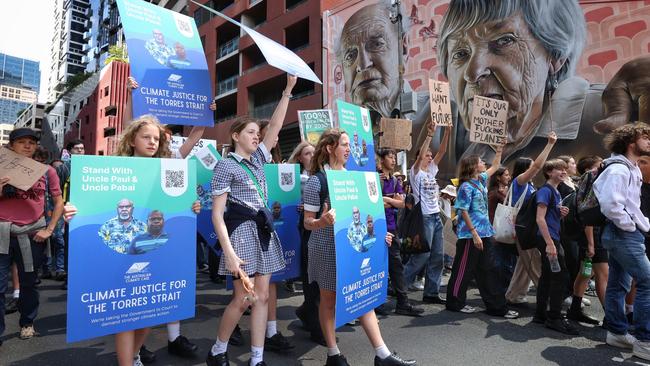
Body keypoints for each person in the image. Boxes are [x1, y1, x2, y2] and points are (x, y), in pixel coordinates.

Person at [427, 0, 650, 181]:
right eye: (460, 54)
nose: (473, 72)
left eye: (504, 41)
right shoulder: (475, 150)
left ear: (555, 56)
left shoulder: (602, 117)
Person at [64, 116, 201, 366]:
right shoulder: (114, 167)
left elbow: (174, 209)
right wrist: (73, 210)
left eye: (156, 138)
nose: (151, 142)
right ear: (132, 140)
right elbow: (90, 203)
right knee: (125, 319)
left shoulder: (166, 169)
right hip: (118, 258)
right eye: (146, 137)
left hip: (151, 255)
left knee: (147, 317)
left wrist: (191, 206)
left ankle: (136, 355)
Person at [303, 128, 416, 366]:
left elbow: (366, 215)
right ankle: (333, 354)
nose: (349, 149)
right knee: (329, 300)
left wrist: (379, 235)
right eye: (344, 144)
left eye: (348, 145)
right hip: (325, 249)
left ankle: (382, 354)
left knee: (362, 296)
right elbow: (307, 222)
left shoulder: (354, 179)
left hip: (351, 248)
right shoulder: (317, 181)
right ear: (329, 148)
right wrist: (321, 221)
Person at [206, 74, 296, 366]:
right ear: (235, 136)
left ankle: (257, 359)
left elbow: (278, 126)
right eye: (251, 132)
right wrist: (229, 254)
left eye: (258, 133)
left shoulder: (259, 159)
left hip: (264, 231)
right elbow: (217, 215)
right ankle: (218, 350)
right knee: (243, 299)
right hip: (241, 233)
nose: (257, 136)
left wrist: (288, 90)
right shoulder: (225, 165)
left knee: (263, 298)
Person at [0, 128, 64, 344]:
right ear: (11, 146)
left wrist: (49, 229)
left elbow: (58, 202)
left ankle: (27, 323)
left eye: (32, 142)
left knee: (29, 283)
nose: (27, 145)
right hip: (2, 233)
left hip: (32, 235)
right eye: (21, 142)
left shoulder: (47, 171)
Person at [594, 123, 650, 360]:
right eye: (645, 137)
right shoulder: (619, 170)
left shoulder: (631, 167)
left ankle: (616, 332)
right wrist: (630, 225)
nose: (649, 141)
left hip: (622, 234)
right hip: (623, 234)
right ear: (630, 141)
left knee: (618, 284)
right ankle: (645, 341)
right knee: (647, 282)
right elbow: (611, 205)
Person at [446, 146, 518, 319]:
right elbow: (463, 210)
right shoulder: (465, 187)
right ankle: (455, 302)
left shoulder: (480, 180)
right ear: (472, 166)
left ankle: (495, 306)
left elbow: (495, 166)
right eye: (480, 162)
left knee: (488, 269)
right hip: (470, 235)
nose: (483, 163)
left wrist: (500, 150)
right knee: (463, 269)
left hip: (485, 232)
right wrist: (474, 233)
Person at [505, 132, 558, 305]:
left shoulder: (529, 185)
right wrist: (549, 144)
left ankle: (514, 295)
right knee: (534, 263)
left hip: (526, 228)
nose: (534, 170)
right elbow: (536, 166)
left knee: (525, 262)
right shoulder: (519, 182)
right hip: (523, 229)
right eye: (530, 167)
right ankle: (549, 297)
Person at [402, 120, 451, 304]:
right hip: (423, 218)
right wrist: (429, 134)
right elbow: (423, 152)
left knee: (437, 256)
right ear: (419, 157)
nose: (430, 157)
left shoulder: (431, 171)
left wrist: (447, 132)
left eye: (431, 156)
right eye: (427, 155)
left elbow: (443, 152)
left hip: (436, 216)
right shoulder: (415, 173)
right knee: (421, 256)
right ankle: (400, 286)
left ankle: (431, 292)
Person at [336, 1, 407, 118]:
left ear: (403, 48)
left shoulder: (432, 116)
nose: (363, 65)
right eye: (350, 56)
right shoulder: (347, 131)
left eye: (376, 44)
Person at [532, 159, 578, 335]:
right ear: (549, 172)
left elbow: (549, 217)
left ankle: (541, 314)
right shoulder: (545, 191)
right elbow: (539, 218)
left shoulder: (555, 191)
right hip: (549, 239)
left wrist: (559, 213)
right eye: (560, 169)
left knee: (547, 276)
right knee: (560, 276)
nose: (564, 172)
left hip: (551, 238)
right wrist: (550, 244)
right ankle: (554, 317)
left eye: (565, 169)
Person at [377, 148, 423, 317]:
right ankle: (376, 302)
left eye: (394, 157)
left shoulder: (396, 180)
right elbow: (375, 203)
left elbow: (402, 203)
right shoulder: (376, 178)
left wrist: (388, 200)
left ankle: (403, 302)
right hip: (377, 228)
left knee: (396, 265)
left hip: (392, 227)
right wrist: (393, 200)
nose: (393, 160)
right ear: (381, 160)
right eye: (390, 157)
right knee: (379, 265)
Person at [289, 141, 326, 345]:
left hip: (323, 229)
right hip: (305, 229)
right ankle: (316, 327)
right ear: (299, 157)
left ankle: (306, 312)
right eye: (306, 153)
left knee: (320, 281)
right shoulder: (297, 179)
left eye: (314, 152)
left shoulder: (324, 176)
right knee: (312, 280)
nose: (311, 155)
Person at [567, 155, 606, 325]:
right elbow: (588, 214)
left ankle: (575, 309)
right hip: (593, 236)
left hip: (592, 235)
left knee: (585, 273)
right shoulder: (591, 181)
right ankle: (613, 319)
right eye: (599, 164)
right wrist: (591, 243)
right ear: (590, 168)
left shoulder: (585, 182)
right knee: (603, 276)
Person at [487, 167, 517, 293]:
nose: (508, 177)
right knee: (500, 262)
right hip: (497, 230)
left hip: (505, 231)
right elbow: (490, 213)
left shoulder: (507, 191)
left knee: (507, 262)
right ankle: (498, 290)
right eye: (506, 175)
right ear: (498, 177)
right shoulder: (495, 193)